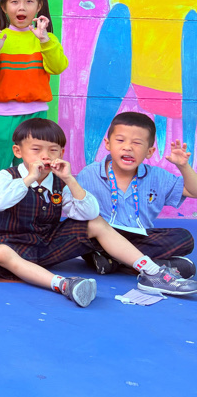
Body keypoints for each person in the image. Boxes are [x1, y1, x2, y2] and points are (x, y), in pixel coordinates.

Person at [0, 118, 197, 306]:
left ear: (61, 153)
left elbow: (89, 214)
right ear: (18, 151)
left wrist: (69, 179)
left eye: (53, 150)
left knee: (96, 222)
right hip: (15, 247)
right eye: (36, 150)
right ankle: (65, 284)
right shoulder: (8, 176)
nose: (45, 156)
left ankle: (152, 273)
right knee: (0, 252)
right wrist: (30, 178)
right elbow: (0, 202)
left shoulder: (61, 183)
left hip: (48, 246)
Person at [0, 0, 67, 238]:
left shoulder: (46, 38)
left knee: (30, 168)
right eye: (14, 1)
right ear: (4, 7)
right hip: (2, 115)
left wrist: (45, 41)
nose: (21, 7)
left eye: (29, 1)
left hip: (36, 115)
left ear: (39, 6)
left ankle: (22, 216)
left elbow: (58, 67)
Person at [76, 111, 196, 277]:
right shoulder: (88, 174)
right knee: (82, 236)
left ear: (149, 151)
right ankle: (146, 264)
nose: (128, 147)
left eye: (137, 143)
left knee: (184, 238)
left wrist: (183, 166)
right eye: (120, 140)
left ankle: (114, 261)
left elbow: (193, 191)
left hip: (140, 237)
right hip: (103, 237)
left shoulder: (157, 176)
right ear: (108, 144)